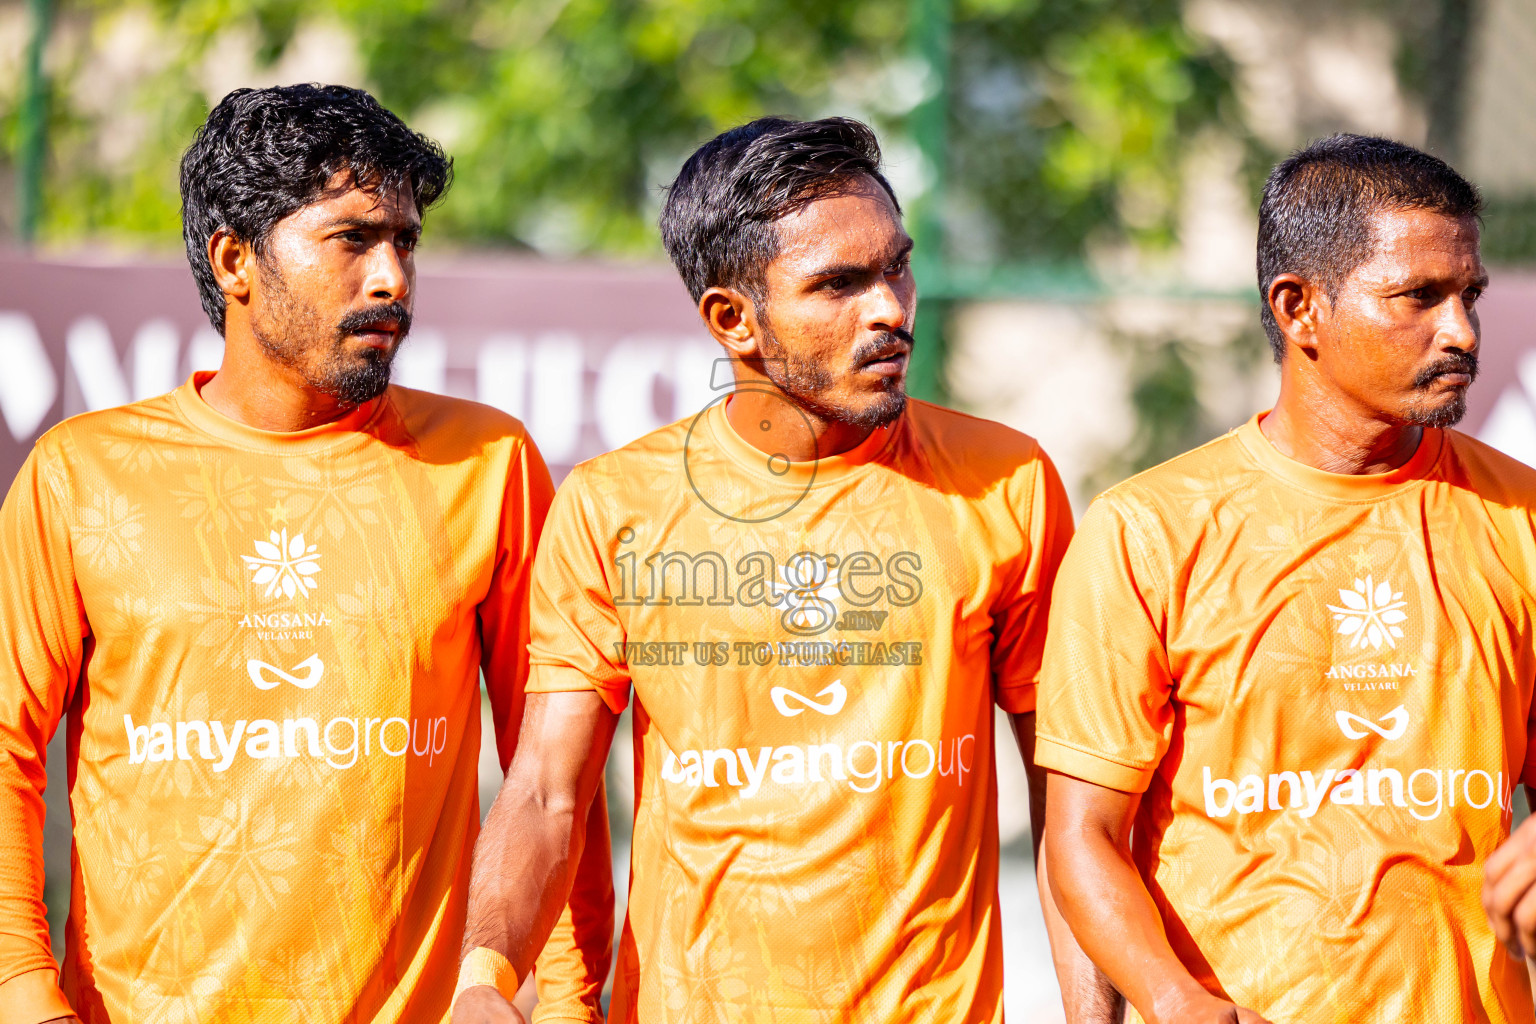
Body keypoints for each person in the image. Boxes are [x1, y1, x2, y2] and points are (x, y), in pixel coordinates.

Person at [0, 84, 612, 1024]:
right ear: (235, 259)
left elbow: (551, 771)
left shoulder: (489, 467)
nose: (392, 279)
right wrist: (25, 995)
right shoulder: (83, 475)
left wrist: (568, 1005)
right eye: (353, 239)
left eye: (405, 242)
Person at [450, 116, 1074, 1023]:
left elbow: (1071, 811)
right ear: (732, 320)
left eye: (896, 265)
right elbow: (547, 790)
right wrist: (483, 980)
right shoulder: (614, 505)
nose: (891, 308)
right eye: (839, 285)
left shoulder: (1007, 484)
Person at [1038, 133, 1536, 1024]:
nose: (1460, 331)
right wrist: (1173, 1000)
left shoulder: (1522, 518)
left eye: (1470, 296)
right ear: (1299, 308)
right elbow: (1082, 837)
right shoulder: (1148, 531)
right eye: (1417, 297)